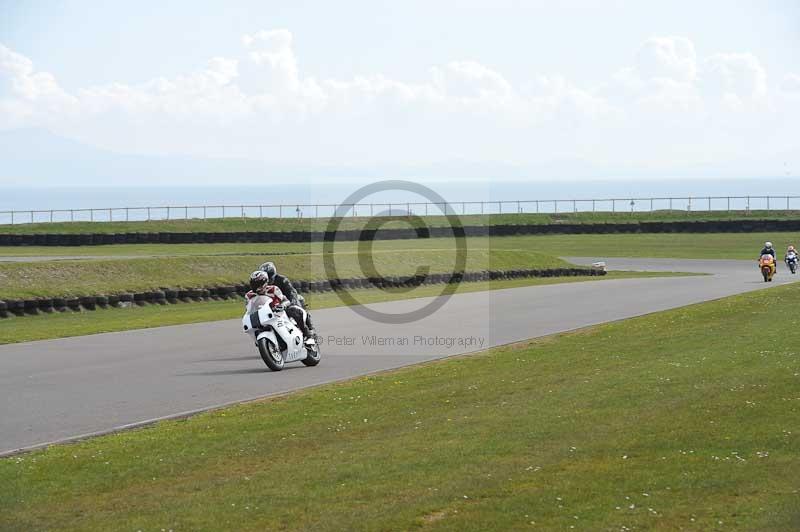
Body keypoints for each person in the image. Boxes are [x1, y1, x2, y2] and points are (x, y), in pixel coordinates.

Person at [258, 262, 315, 342]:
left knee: (295, 310)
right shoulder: (262, 285)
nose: (268, 279)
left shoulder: (282, 280)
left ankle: (309, 331)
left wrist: (292, 302)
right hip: (274, 305)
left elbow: (291, 291)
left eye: (269, 276)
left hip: (287, 301)